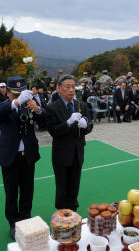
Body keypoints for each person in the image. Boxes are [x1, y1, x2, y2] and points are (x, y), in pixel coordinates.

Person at [0, 76, 44, 240]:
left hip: (27, 155)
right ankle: (13, 223)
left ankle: (26, 219)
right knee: (11, 193)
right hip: (10, 157)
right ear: (7, 92)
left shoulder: (29, 104)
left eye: (20, 93)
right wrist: (16, 102)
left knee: (28, 191)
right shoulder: (3, 104)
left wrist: (38, 109)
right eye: (14, 93)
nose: (18, 96)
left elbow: (45, 120)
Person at [45, 74, 93, 211]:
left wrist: (86, 126)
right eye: (67, 87)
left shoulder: (81, 105)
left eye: (73, 86)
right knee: (62, 185)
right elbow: (53, 131)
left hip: (78, 152)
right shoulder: (52, 108)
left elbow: (90, 125)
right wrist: (68, 122)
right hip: (62, 153)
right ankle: (62, 211)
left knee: (74, 184)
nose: (71, 90)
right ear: (59, 89)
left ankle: (73, 208)